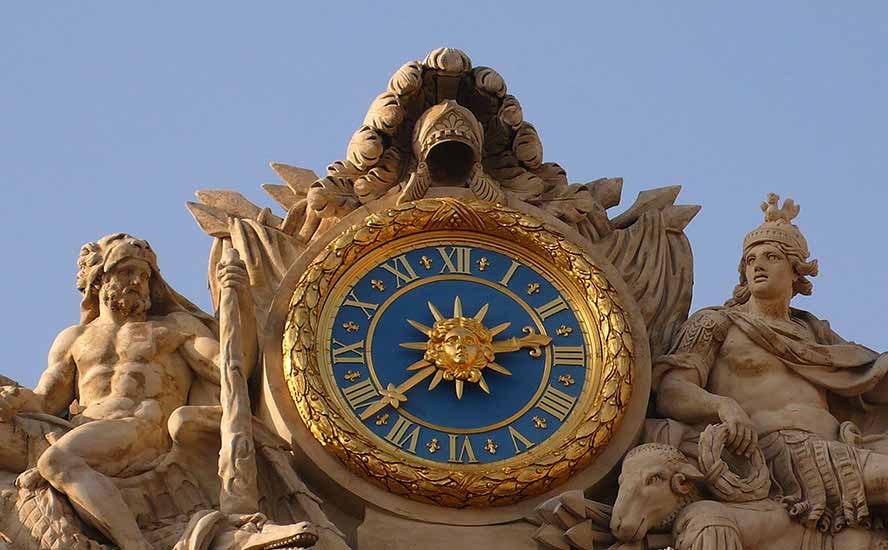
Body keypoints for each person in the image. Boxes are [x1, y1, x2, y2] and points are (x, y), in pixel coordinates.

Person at [0, 233, 255, 550]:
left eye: (144, 275)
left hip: (142, 429)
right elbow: (45, 400)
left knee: (56, 461)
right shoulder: (73, 339)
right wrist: (10, 400)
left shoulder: (174, 328)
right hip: (80, 431)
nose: (137, 281)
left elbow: (231, 367)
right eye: (125, 272)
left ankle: (136, 546)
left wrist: (240, 298)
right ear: (98, 281)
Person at [654, 194, 888, 533]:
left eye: (771, 257)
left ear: (796, 272)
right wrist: (724, 407)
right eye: (750, 260)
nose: (757, 266)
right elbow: (672, 391)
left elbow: (869, 375)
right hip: (771, 452)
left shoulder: (815, 332)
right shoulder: (716, 324)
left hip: (837, 447)